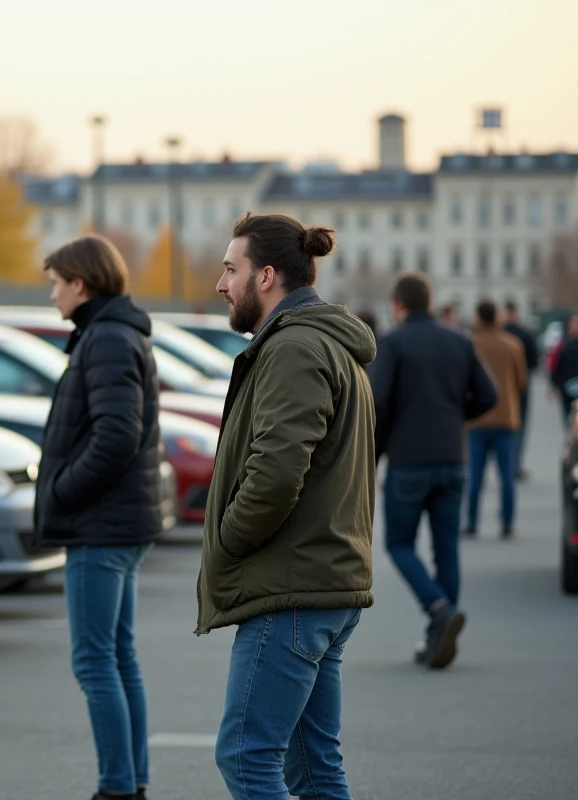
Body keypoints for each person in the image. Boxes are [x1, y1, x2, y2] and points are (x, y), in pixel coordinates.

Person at [199, 213, 376, 800]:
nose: (221, 284)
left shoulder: (296, 349)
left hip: (294, 590)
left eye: (231, 269)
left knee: (246, 757)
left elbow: (274, 476)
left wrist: (225, 541)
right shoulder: (316, 343)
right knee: (312, 766)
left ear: (266, 276)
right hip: (319, 583)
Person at [36, 235, 163, 800]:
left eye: (56, 284)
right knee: (118, 656)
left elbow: (116, 436)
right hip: (117, 523)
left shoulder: (107, 338)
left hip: (100, 526)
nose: (53, 294)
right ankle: (130, 782)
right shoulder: (111, 333)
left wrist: (63, 489)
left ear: (80, 283)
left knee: (96, 661)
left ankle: (117, 787)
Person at [370, 274, 497, 669]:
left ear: (398, 304)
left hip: (409, 462)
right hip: (453, 458)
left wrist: (374, 457)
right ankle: (440, 630)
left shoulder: (392, 344)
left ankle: (438, 609)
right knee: (447, 550)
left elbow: (378, 404)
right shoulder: (459, 339)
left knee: (398, 544)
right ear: (429, 301)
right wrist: (458, 417)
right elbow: (489, 396)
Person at [466, 301, 528, 540]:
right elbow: (521, 382)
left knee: (475, 476)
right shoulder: (513, 345)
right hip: (506, 418)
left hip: (477, 420)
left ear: (478, 318)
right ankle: (508, 523)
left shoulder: (470, 344)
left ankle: (472, 522)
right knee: (507, 477)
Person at [502, 301, 540, 480]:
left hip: (501, 385)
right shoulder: (524, 334)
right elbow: (534, 362)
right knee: (519, 427)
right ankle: (514, 466)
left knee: (504, 429)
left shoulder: (500, 333)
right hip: (521, 385)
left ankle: (508, 466)